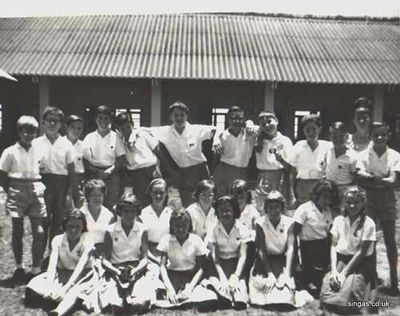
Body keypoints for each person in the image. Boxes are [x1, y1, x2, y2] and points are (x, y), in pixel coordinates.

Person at [0, 116, 47, 281]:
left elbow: (43, 170)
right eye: (25, 131)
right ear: (19, 132)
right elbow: (3, 174)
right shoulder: (10, 152)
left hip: (36, 188)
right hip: (16, 188)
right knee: (18, 230)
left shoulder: (39, 149)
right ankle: (19, 266)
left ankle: (36, 268)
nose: (29, 135)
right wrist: (10, 191)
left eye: (33, 131)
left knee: (39, 232)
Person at [355, 122, 400, 295]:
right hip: (370, 200)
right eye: (376, 135)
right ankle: (371, 278)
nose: (379, 138)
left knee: (390, 242)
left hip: (387, 201)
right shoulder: (364, 154)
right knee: (369, 240)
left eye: (383, 134)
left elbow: (393, 180)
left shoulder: (395, 155)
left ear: (388, 135)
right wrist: (381, 180)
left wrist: (372, 179)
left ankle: (394, 281)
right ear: (370, 137)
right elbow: (360, 175)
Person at [149, 102, 222, 207]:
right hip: (183, 172)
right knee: (188, 204)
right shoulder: (165, 131)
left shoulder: (195, 130)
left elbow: (216, 129)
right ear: (171, 117)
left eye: (182, 115)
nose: (179, 118)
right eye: (176, 115)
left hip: (200, 169)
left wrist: (216, 141)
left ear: (187, 116)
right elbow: (142, 130)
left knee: (207, 200)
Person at [249, 191, 313, 308]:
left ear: (282, 207)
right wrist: (270, 274)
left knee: (285, 290)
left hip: (283, 261)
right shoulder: (259, 223)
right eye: (270, 207)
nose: (273, 210)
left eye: (277, 207)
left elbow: (290, 249)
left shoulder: (289, 223)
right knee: (265, 287)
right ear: (266, 208)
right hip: (265, 262)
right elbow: (261, 251)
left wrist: (287, 274)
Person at [25, 210, 94, 316]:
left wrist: (65, 288)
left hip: (82, 275)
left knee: (73, 292)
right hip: (62, 272)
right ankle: (55, 296)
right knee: (32, 287)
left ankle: (58, 311)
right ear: (65, 226)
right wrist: (49, 286)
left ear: (83, 227)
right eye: (70, 226)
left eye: (78, 227)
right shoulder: (58, 240)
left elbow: (79, 269)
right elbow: (52, 265)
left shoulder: (88, 243)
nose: (73, 230)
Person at [320, 186, 377, 314]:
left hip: (360, 263)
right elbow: (333, 246)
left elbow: (361, 252)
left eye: (356, 202)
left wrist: (343, 274)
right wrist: (334, 271)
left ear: (363, 203)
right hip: (341, 261)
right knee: (327, 298)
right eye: (349, 202)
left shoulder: (369, 223)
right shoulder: (339, 220)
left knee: (346, 305)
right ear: (344, 203)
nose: (352, 206)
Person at [101, 193, 156, 314]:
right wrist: (117, 272)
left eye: (133, 211)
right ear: (120, 211)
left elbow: (145, 258)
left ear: (137, 212)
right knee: (116, 305)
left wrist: (134, 272)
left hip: (137, 270)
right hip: (115, 270)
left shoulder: (142, 229)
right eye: (125, 211)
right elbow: (104, 260)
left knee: (139, 303)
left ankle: (133, 299)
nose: (129, 215)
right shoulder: (110, 230)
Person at [156, 210, 217, 308]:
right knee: (163, 297)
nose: (181, 229)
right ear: (172, 226)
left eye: (184, 225)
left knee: (209, 297)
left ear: (189, 225)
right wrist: (169, 288)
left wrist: (190, 287)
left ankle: (188, 296)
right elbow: (162, 266)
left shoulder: (196, 240)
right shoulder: (166, 240)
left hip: (192, 276)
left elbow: (201, 268)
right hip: (173, 275)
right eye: (177, 226)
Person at [33, 106, 75, 245]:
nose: (52, 124)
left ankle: (53, 256)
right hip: (42, 184)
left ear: (61, 125)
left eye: (56, 121)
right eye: (49, 120)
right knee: (43, 221)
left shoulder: (66, 144)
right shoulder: (36, 143)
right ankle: (38, 258)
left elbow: (71, 171)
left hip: (61, 185)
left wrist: (69, 193)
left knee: (59, 221)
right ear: (43, 122)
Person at [293, 179, 339, 296]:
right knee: (311, 282)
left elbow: (329, 235)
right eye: (324, 197)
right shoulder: (304, 209)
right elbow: (293, 234)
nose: (327, 201)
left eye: (329, 198)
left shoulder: (328, 211)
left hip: (323, 248)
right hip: (308, 249)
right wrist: (296, 260)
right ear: (316, 195)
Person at [205, 196, 252, 309]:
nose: (225, 214)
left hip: (236, 265)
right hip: (218, 266)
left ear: (234, 211)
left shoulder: (241, 228)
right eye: (221, 210)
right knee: (221, 285)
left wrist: (236, 276)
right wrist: (223, 278)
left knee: (239, 293)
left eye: (228, 210)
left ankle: (235, 296)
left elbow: (243, 255)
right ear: (217, 212)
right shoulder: (213, 228)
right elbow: (215, 258)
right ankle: (222, 296)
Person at [115, 112, 160, 204]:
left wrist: (158, 168)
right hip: (136, 174)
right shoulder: (120, 141)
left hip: (151, 170)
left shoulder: (142, 134)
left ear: (132, 124)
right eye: (122, 129)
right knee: (141, 200)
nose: (126, 131)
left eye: (128, 127)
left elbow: (158, 150)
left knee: (156, 197)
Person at [82, 105, 120, 210]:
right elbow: (84, 160)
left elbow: (121, 159)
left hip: (111, 175)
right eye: (100, 118)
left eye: (106, 118)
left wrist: (109, 171)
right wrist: (95, 171)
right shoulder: (89, 137)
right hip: (93, 174)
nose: (103, 121)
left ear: (111, 120)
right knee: (93, 204)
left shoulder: (116, 137)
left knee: (111, 206)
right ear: (95, 120)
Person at [213, 106, 255, 196]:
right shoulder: (221, 136)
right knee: (223, 197)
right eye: (233, 118)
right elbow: (216, 157)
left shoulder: (249, 133)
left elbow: (263, 129)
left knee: (240, 197)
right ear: (228, 120)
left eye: (240, 118)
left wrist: (250, 122)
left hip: (243, 170)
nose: (237, 121)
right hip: (225, 170)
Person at [253, 111, 294, 204]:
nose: (267, 125)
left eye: (269, 121)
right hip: (263, 179)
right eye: (263, 124)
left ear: (276, 121)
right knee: (261, 207)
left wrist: (281, 160)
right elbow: (247, 127)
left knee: (279, 206)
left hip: (280, 178)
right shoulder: (257, 140)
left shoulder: (285, 141)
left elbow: (290, 167)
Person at [290, 114, 331, 205]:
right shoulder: (298, 146)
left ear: (319, 129)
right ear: (303, 131)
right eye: (307, 130)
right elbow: (292, 172)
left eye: (314, 129)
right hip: (302, 187)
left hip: (321, 187)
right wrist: (292, 193)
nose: (311, 133)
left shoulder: (327, 146)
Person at [140, 178, 173, 257]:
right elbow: (142, 245)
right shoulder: (142, 214)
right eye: (155, 192)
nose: (158, 196)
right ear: (150, 193)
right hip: (148, 255)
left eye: (161, 193)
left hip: (168, 253)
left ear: (166, 193)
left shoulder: (171, 213)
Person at [80, 179, 114, 251]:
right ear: (87, 196)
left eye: (100, 195)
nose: (97, 199)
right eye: (94, 195)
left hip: (103, 252)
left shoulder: (109, 215)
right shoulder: (81, 214)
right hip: (83, 251)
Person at [325, 122, 357, 198]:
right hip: (329, 190)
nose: (338, 139)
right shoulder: (327, 150)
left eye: (341, 136)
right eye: (334, 136)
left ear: (346, 136)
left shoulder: (351, 155)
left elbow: (355, 177)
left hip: (345, 190)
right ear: (330, 137)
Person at [65, 115, 85, 208]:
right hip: (64, 179)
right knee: (65, 205)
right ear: (66, 128)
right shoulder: (60, 143)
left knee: (79, 205)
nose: (76, 131)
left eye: (79, 128)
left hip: (79, 179)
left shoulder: (83, 145)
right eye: (73, 127)